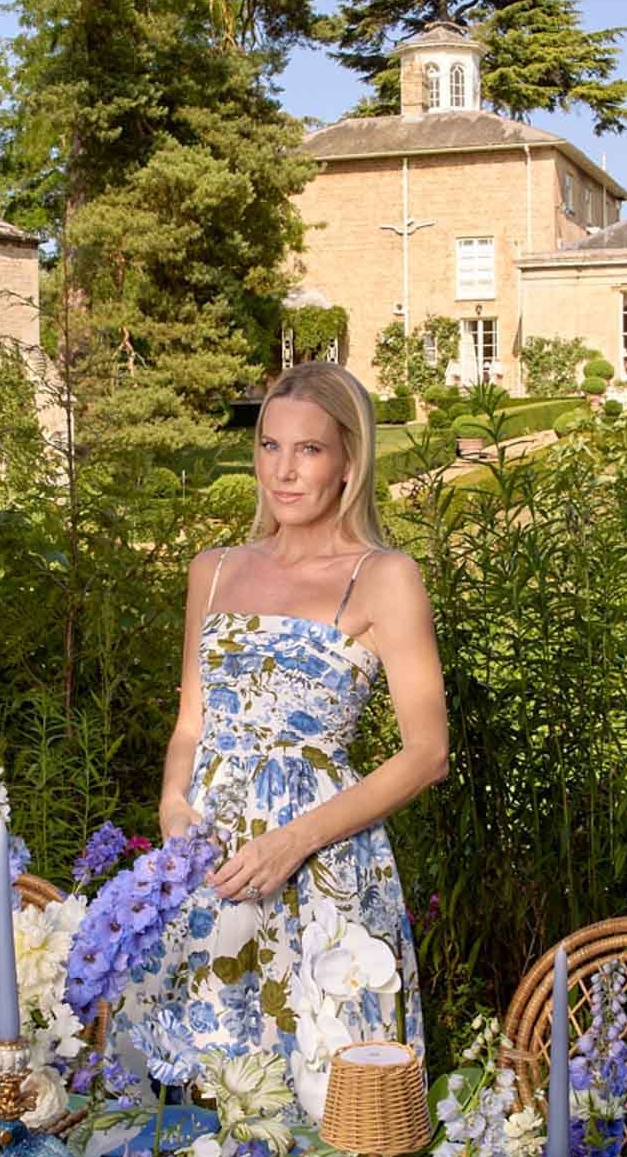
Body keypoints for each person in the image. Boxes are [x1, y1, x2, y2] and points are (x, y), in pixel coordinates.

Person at [144, 360, 449, 1067]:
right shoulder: (213, 569)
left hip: (323, 869)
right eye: (269, 446)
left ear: (348, 463)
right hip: (212, 867)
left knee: (332, 1093)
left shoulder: (384, 577)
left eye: (308, 449)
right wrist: (171, 802)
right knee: (204, 1097)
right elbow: (192, 723)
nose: (283, 471)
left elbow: (427, 753)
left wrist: (292, 843)